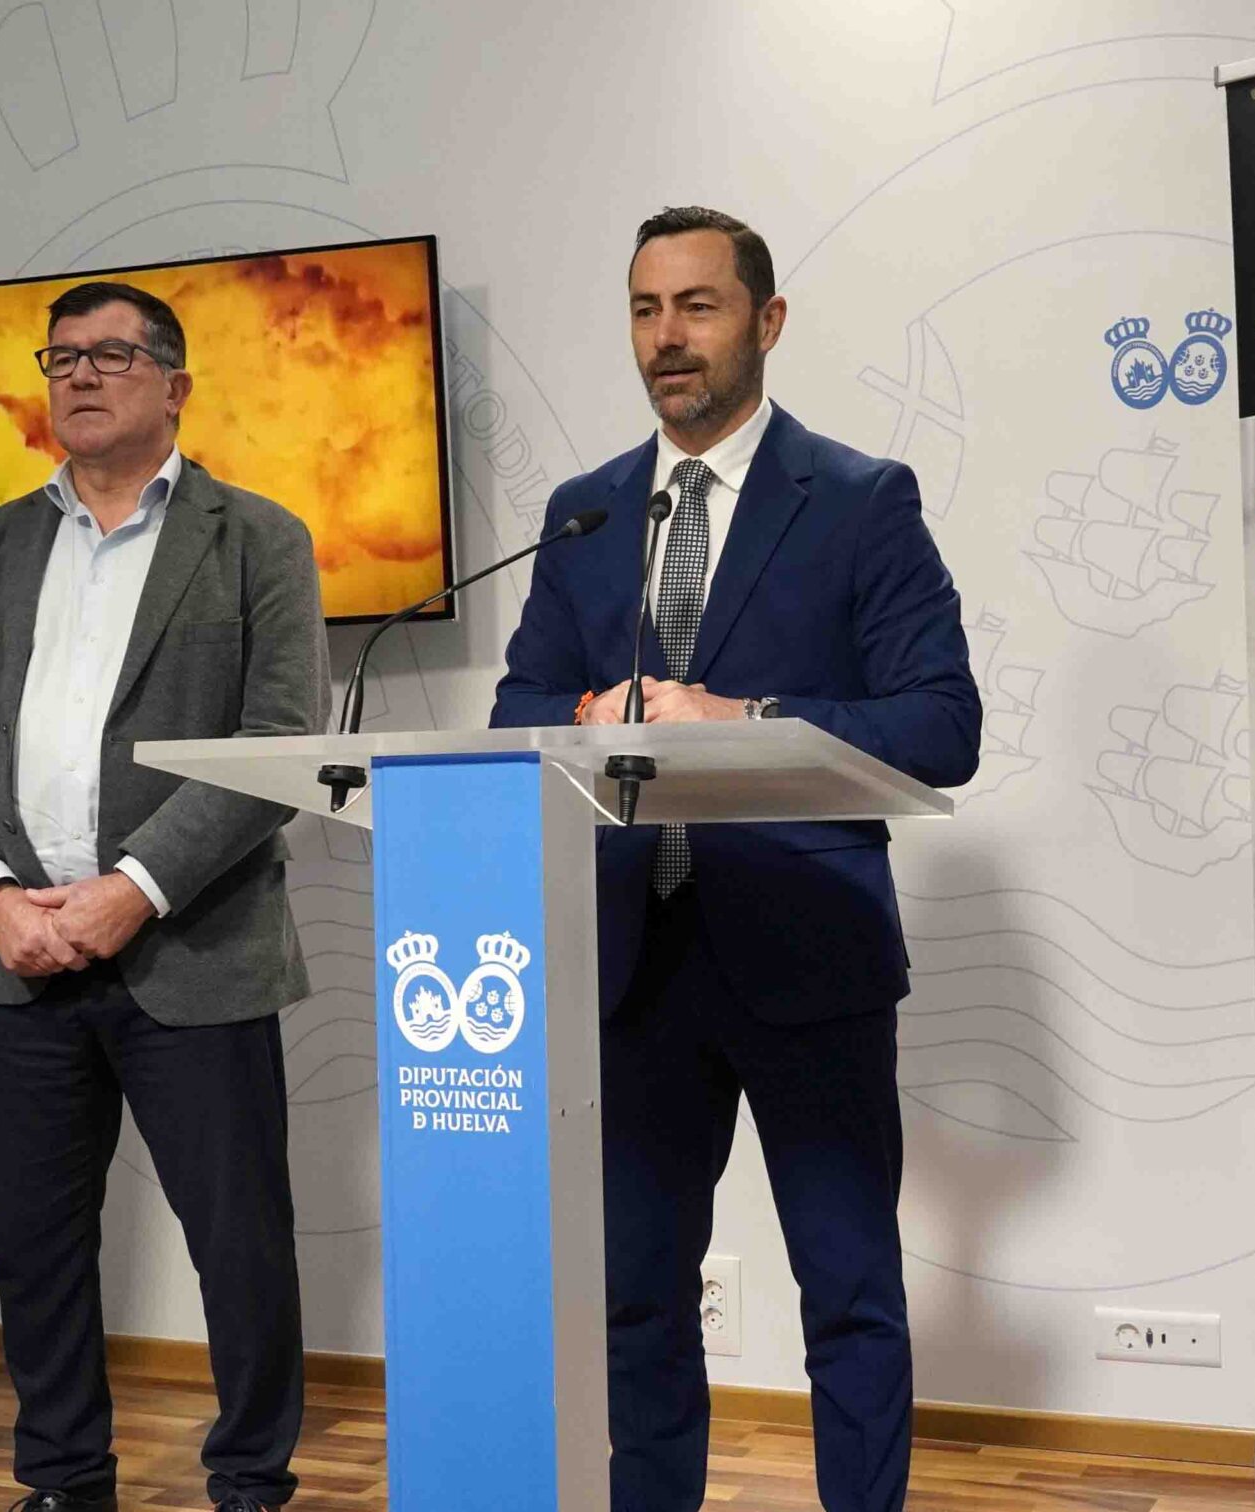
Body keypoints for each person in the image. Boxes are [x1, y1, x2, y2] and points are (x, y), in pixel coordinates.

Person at [489, 207, 982, 1512]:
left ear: (767, 321)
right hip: (629, 963)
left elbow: (943, 724)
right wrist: (583, 713)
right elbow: (515, 708)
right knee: (637, 1297)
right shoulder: (587, 512)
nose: (667, 337)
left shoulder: (861, 500)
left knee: (849, 1292)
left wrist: (746, 718)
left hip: (808, 952)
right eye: (645, 309)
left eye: (697, 307)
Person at [0, 281, 327, 1512]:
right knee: (33, 1251)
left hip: (195, 952)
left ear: (176, 387)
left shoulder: (257, 538)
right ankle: (63, 1481)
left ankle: (251, 1482)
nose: (81, 374)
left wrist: (133, 890)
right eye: (63, 357)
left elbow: (279, 744)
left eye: (113, 356)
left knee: (238, 1245)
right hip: (15, 957)